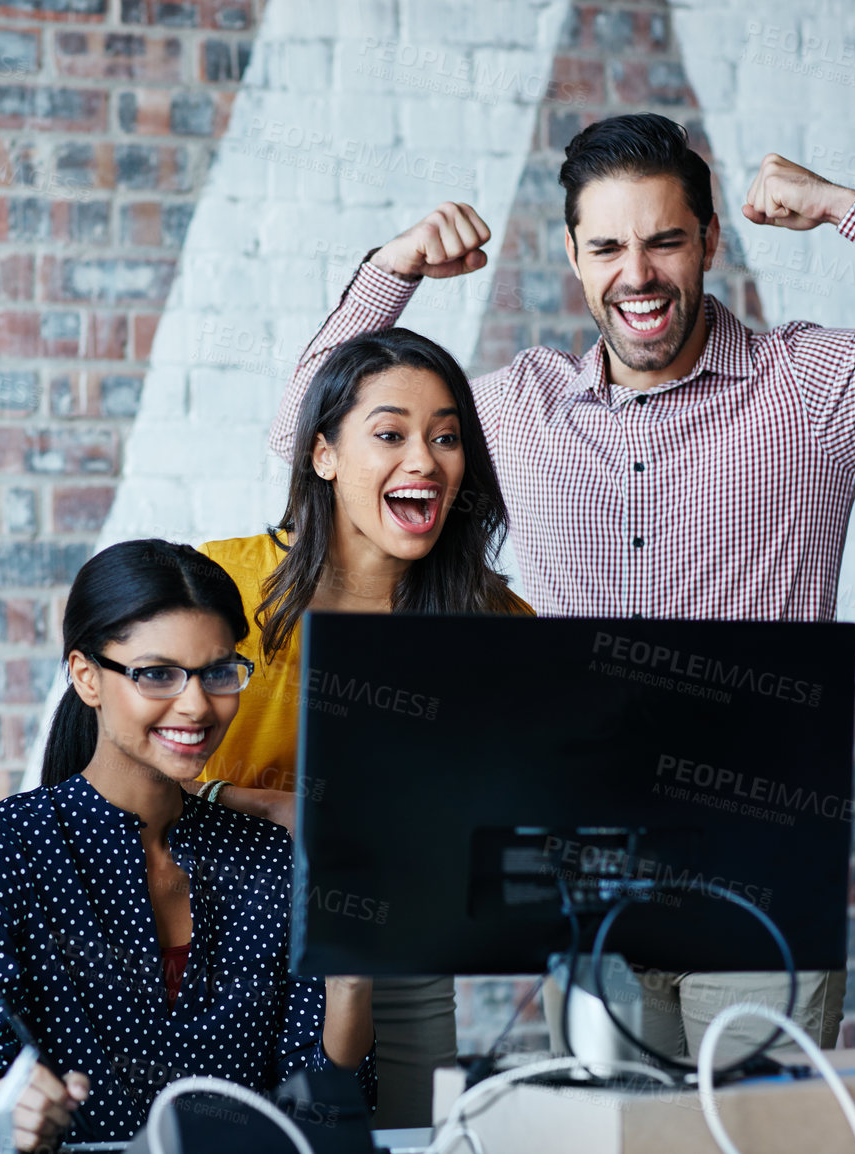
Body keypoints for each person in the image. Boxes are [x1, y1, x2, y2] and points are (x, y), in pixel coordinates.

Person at [271, 114, 855, 1061]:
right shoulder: (513, 410)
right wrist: (392, 268)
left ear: (710, 241)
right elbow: (310, 435)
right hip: (584, 875)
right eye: (606, 246)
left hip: (755, 874)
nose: (636, 275)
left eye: (664, 241)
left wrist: (845, 208)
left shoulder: (809, 389)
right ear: (572, 254)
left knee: (753, 1139)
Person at [0, 540, 375, 1150]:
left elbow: (326, 1102)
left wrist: (351, 982)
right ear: (87, 677)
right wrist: (7, 1110)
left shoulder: (271, 857)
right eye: (157, 674)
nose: (195, 705)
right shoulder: (7, 848)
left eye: (218, 672)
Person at [194, 327, 531, 1127]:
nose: (424, 459)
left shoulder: (494, 621)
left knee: (415, 1140)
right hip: (228, 940)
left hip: (394, 953)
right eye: (390, 434)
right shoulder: (221, 584)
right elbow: (116, 771)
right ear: (323, 455)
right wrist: (272, 806)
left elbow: (525, 809)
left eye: (445, 437)